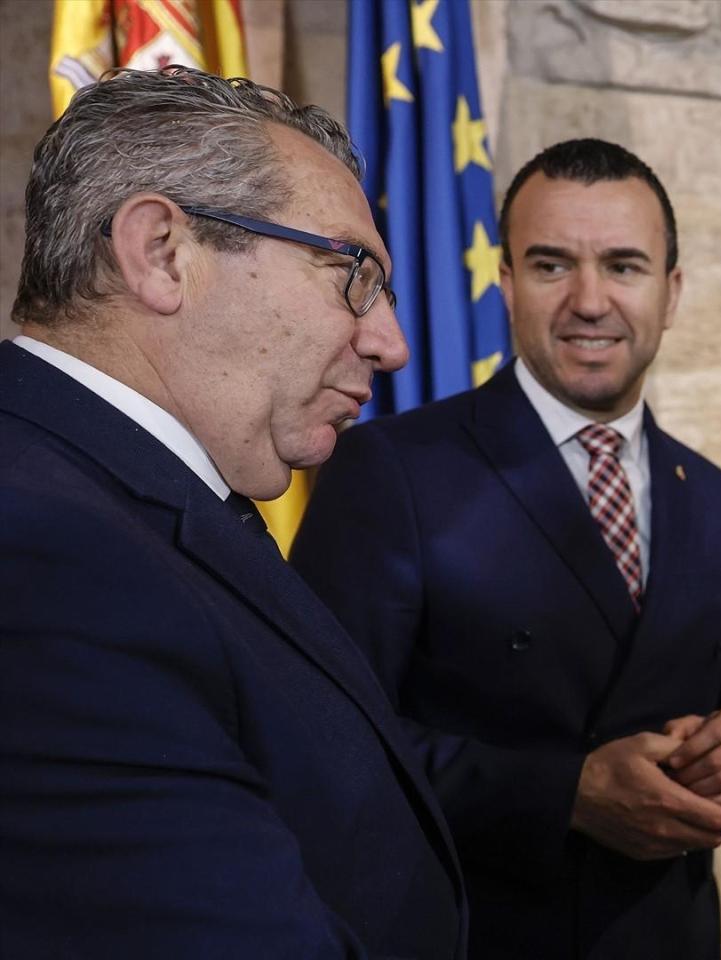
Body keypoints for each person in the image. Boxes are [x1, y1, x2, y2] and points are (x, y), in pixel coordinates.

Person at [0, 67, 466, 956]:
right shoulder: (45, 556)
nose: (392, 342)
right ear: (163, 253)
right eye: (351, 274)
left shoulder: (117, 500)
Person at [290, 137, 721, 959]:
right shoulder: (392, 471)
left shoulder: (720, 500)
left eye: (624, 267)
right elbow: (321, 735)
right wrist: (567, 792)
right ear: (507, 282)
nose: (590, 301)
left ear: (672, 293)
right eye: (553, 265)